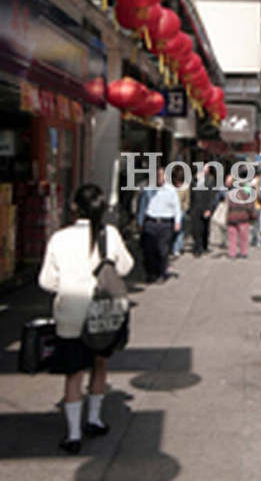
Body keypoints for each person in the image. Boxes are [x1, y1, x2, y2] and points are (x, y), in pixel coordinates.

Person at [39, 184, 134, 455]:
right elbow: (125, 267)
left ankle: (73, 434)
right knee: (99, 364)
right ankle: (94, 419)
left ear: (74, 208)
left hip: (70, 313)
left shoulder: (59, 238)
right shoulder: (110, 235)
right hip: (102, 314)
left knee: (73, 374)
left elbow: (46, 281)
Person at [137, 167, 181, 283]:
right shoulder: (148, 190)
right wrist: (140, 222)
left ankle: (162, 273)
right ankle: (151, 274)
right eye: (157, 176)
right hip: (151, 222)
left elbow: (177, 207)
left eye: (161, 176)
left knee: (162, 250)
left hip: (165, 223)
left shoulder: (171, 191)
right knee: (149, 250)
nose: (159, 178)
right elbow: (143, 206)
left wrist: (177, 222)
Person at [225, 175, 256, 259]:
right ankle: (244, 253)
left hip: (231, 218)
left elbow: (226, 206)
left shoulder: (229, 195)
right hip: (243, 218)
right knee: (244, 237)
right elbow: (250, 206)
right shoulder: (245, 194)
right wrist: (253, 216)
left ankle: (232, 254)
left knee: (232, 237)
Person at [191, 165, 217, 257]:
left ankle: (204, 245)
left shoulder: (210, 180)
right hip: (195, 208)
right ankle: (198, 248)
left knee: (205, 228)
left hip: (205, 207)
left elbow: (212, 196)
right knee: (196, 229)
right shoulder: (194, 180)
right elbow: (191, 193)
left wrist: (209, 209)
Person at [172, 168, 191, 257]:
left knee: (180, 231)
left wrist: (184, 210)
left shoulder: (185, 187)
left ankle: (176, 248)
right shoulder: (170, 187)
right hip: (171, 211)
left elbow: (187, 200)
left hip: (180, 211)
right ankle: (173, 247)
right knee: (173, 230)